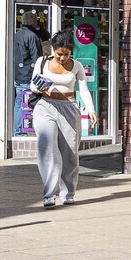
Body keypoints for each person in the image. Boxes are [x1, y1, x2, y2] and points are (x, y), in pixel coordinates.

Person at [29, 31, 91, 208]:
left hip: (69, 108)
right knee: (47, 148)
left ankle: (68, 192)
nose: (62, 58)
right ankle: (49, 193)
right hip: (45, 107)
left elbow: (83, 90)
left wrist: (91, 109)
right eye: (59, 54)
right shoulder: (42, 62)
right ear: (53, 50)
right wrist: (40, 88)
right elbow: (32, 84)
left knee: (70, 152)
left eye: (66, 54)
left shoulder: (77, 66)